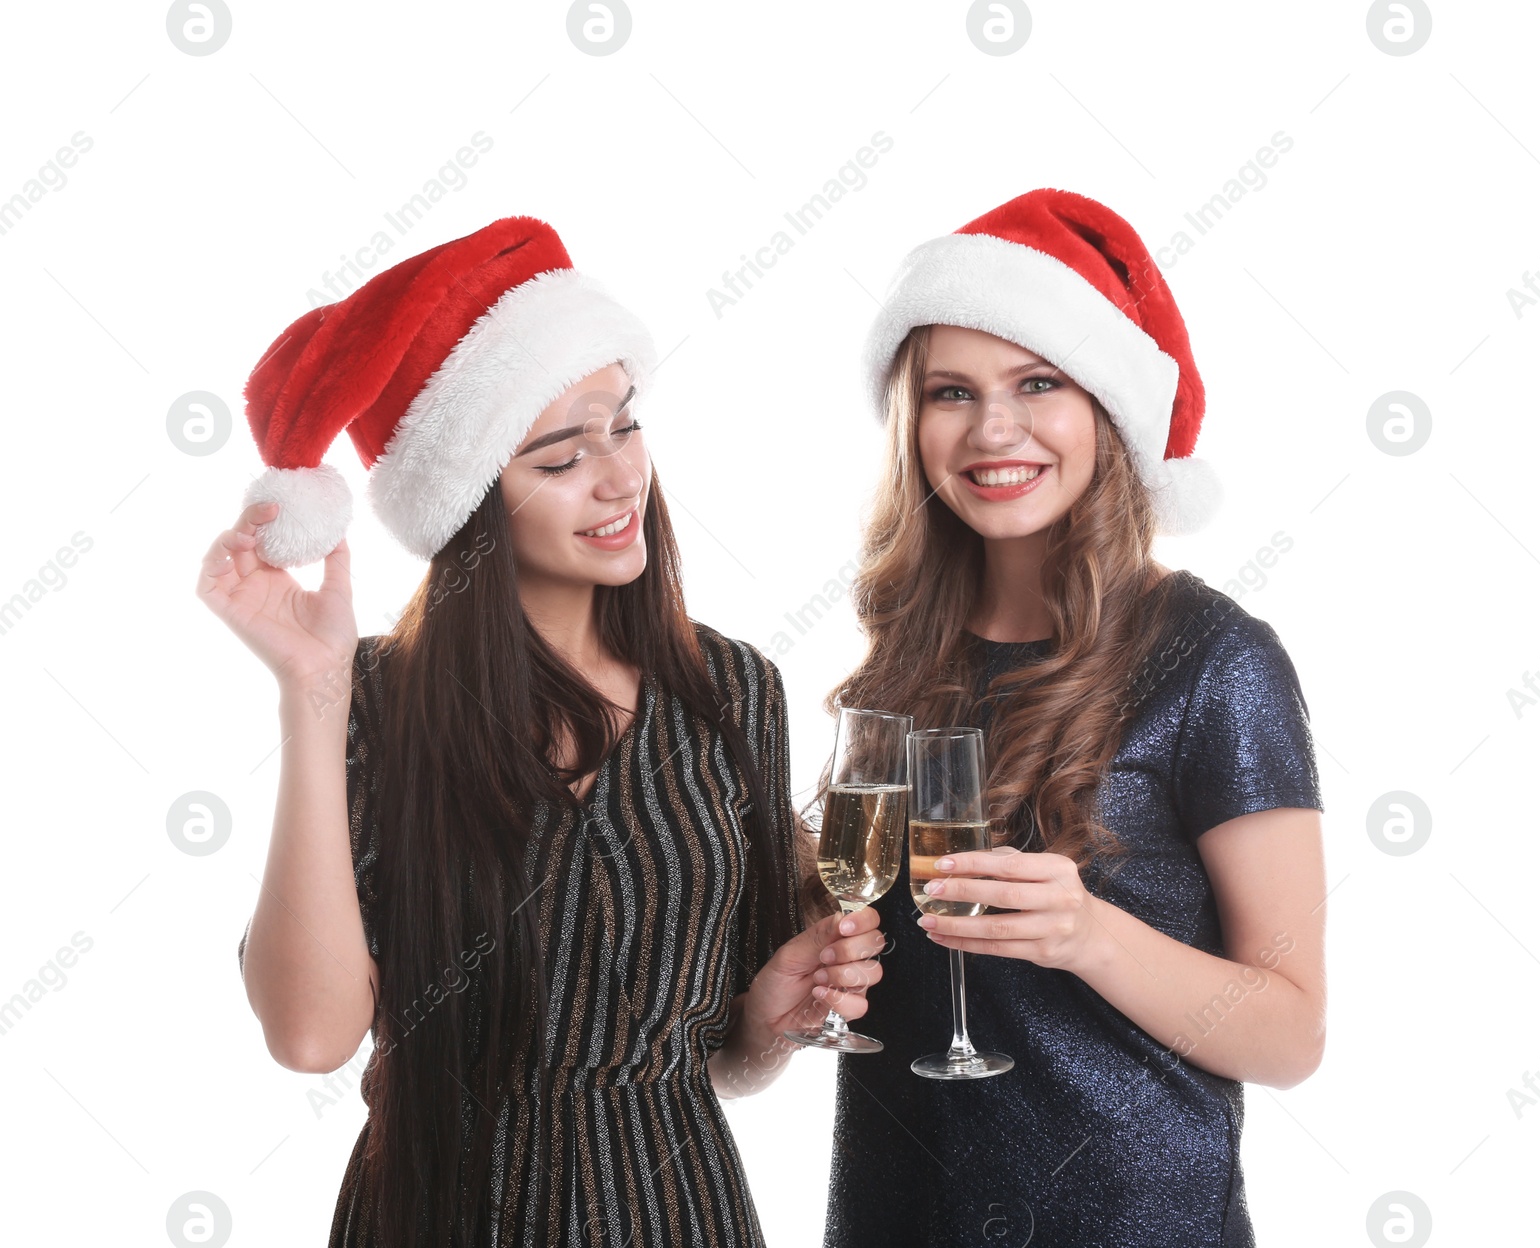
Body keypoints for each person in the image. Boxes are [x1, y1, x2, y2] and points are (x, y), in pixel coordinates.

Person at [198, 216, 885, 1247]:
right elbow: (309, 1035)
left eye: (625, 424)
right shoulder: (377, 699)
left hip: (674, 1210)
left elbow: (727, 1058)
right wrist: (311, 691)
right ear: (471, 500)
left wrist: (769, 1019)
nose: (618, 479)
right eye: (561, 457)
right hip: (436, 1212)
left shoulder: (733, 690)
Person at [817, 189, 1327, 1247]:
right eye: (951, 392)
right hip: (896, 1217)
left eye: (1037, 382)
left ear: (1107, 405)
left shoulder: (1213, 658)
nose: (993, 428)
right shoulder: (903, 658)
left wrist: (1089, 935)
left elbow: (1289, 1031)